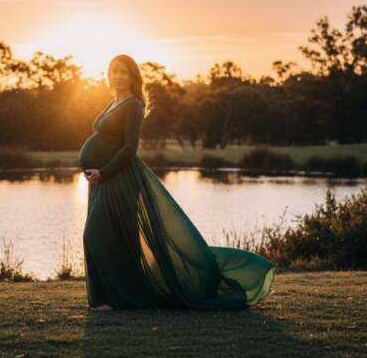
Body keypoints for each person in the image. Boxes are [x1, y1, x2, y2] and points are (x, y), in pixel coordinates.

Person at [79, 54, 275, 311]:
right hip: (102, 179)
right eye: (114, 71)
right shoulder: (114, 102)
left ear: (133, 76)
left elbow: (129, 149)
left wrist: (103, 172)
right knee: (112, 238)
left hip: (119, 178)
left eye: (123, 72)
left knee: (95, 235)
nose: (118, 76)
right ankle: (111, 298)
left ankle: (121, 298)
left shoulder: (134, 105)